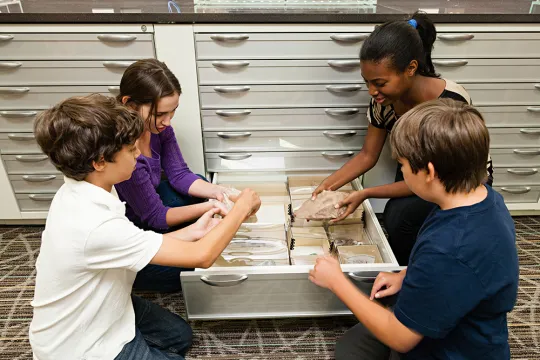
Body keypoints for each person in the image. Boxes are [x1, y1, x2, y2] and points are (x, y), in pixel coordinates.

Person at [29, 94, 261, 360]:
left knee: (179, 336)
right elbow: (202, 257)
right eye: (130, 149)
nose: (139, 153)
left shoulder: (89, 186)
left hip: (109, 308)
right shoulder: (94, 224)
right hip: (81, 348)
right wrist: (241, 208)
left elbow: (139, 240)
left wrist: (194, 231)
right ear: (100, 162)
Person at [309, 99, 518, 360]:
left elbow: (401, 337)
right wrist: (408, 275)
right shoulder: (485, 199)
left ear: (429, 172)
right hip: (458, 327)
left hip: (450, 351)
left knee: (361, 347)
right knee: (353, 345)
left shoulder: (449, 248)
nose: (402, 172)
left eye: (403, 166)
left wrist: (336, 281)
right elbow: (472, 269)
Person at [311, 11, 493, 265]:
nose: (372, 91)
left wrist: (366, 193)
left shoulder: (451, 102)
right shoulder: (384, 103)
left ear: (411, 69)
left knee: (402, 218)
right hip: (418, 169)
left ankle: (416, 273)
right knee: (397, 216)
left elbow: (436, 177)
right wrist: (326, 186)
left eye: (380, 83)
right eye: (367, 82)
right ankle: (405, 271)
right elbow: (367, 155)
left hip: (458, 178)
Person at [114, 59, 230, 292]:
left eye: (173, 111)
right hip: (134, 237)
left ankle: (195, 229)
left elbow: (179, 174)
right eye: (160, 114)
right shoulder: (124, 155)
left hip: (149, 209)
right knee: (190, 267)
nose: (168, 121)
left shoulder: (160, 129)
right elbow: (156, 217)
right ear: (129, 104)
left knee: (201, 181)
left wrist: (222, 193)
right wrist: (211, 206)